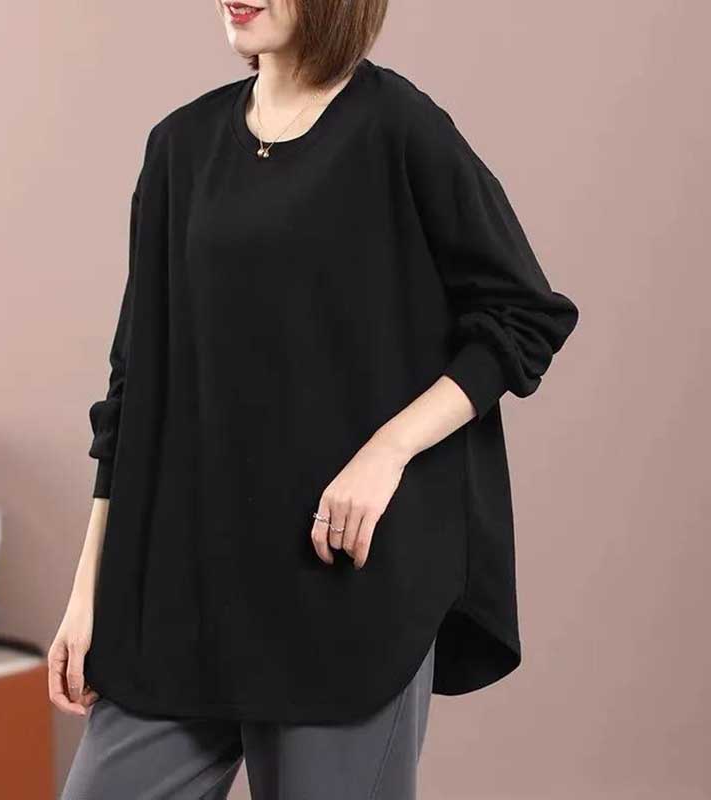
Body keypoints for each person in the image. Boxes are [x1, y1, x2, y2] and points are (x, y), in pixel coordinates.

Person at [51, 1, 580, 797]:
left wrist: (387, 452)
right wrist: (89, 591)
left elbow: (524, 315)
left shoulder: (398, 128)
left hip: (341, 595)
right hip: (184, 594)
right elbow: (133, 386)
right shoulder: (179, 148)